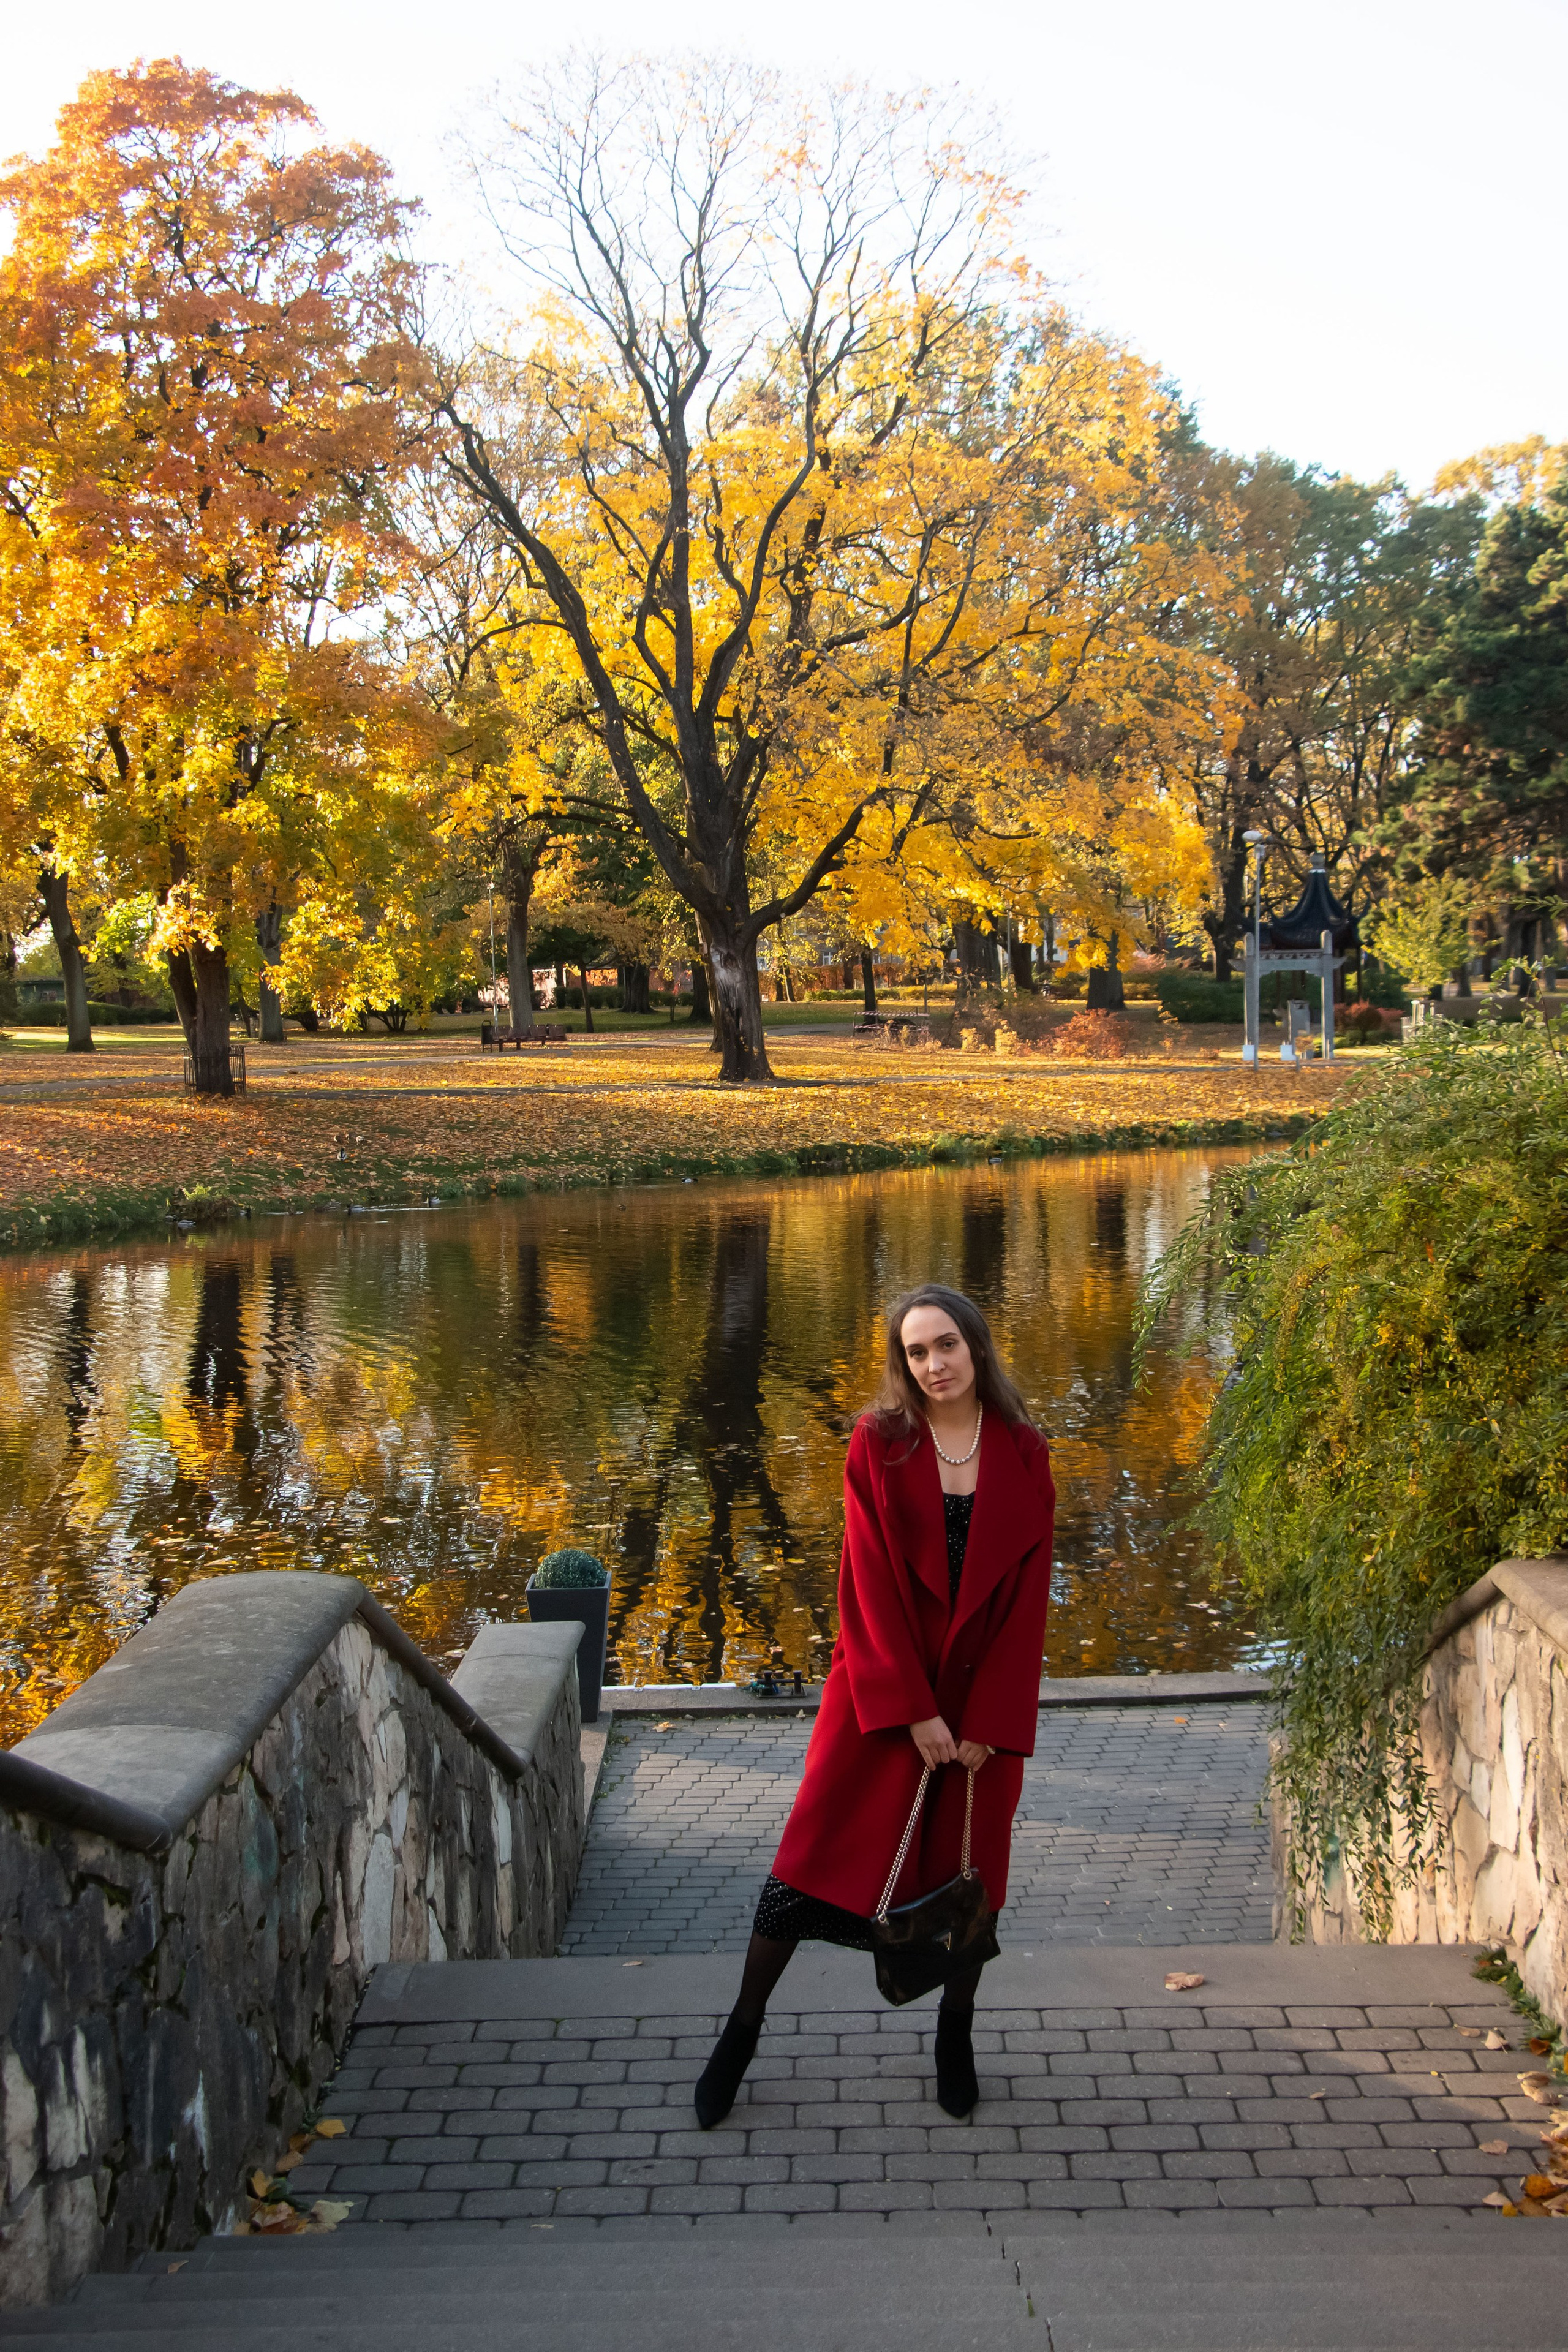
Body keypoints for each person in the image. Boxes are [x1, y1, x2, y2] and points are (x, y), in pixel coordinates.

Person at [694, 1282, 1055, 2128]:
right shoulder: (880, 1443)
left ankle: (955, 2037)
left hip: (979, 1713)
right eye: (915, 1351)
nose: (933, 1364)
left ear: (976, 1346)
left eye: (946, 1345)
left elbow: (1028, 1602)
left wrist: (988, 1725)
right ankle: (741, 2031)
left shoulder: (1024, 1451)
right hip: (881, 1698)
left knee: (968, 1887)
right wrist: (914, 1710)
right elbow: (866, 1585)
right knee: (804, 1871)